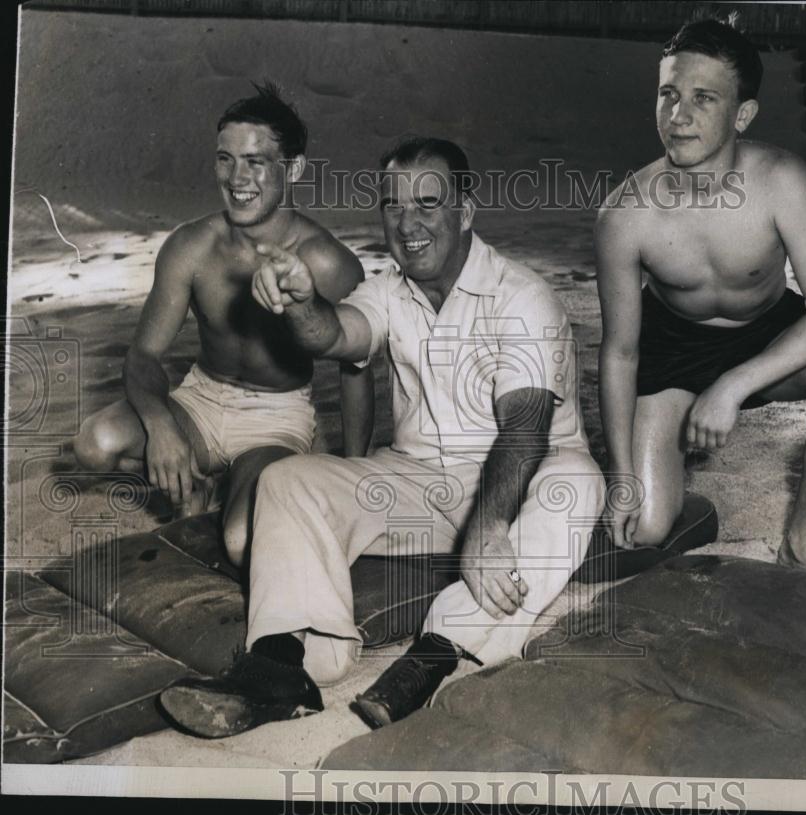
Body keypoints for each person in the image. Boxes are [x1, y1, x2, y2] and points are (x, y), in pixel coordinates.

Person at [157, 137, 604, 738]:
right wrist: (301, 300)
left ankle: (436, 653)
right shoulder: (391, 289)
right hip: (419, 481)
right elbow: (333, 337)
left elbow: (524, 429)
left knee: (577, 483)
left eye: (428, 203)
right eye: (393, 205)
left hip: (521, 483)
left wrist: (491, 525)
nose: (408, 222)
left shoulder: (523, 298)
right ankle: (286, 664)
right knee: (287, 478)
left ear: (465, 212)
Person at [596, 18, 806, 583]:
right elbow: (620, 354)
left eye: (703, 99)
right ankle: (663, 462)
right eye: (668, 95)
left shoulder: (782, 179)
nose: (678, 116)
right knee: (645, 528)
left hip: (767, 335)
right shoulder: (623, 213)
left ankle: (804, 542)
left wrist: (733, 386)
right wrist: (621, 475)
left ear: (743, 114)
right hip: (672, 355)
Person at [72, 82, 374, 566]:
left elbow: (356, 368)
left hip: (276, 422)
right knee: (94, 444)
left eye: (256, 161)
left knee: (241, 543)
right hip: (201, 401)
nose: (237, 177)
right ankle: (202, 478)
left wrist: (355, 470)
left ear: (292, 168)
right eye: (225, 159)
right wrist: (162, 425)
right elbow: (144, 355)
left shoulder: (328, 261)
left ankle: (250, 479)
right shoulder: (191, 246)